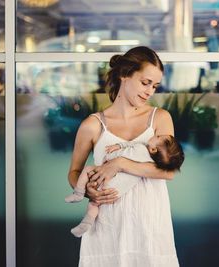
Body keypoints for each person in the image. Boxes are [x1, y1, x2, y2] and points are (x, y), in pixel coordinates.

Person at [67, 46, 180, 266]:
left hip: (150, 223)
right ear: (124, 74)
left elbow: (168, 172)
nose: (149, 92)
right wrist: (88, 191)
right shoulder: (92, 125)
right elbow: (74, 172)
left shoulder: (160, 118)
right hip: (107, 225)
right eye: (145, 82)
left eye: (155, 86)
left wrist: (120, 163)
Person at [66, 134, 184, 237]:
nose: (156, 135)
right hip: (117, 189)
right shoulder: (151, 162)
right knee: (95, 202)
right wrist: (120, 146)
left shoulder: (140, 150)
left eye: (158, 137)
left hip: (109, 178)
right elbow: (134, 145)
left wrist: (115, 157)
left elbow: (122, 154)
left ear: (153, 149)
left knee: (88, 172)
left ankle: (79, 193)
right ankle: (86, 222)